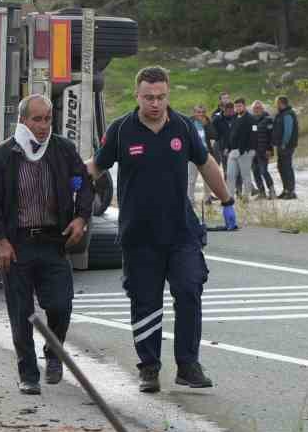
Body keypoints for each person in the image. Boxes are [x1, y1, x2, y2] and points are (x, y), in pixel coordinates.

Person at [90, 66, 236, 393]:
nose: (155, 103)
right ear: (137, 95)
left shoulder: (183, 127)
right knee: (145, 300)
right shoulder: (121, 130)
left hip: (181, 231)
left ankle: (188, 365)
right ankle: (149, 368)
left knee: (189, 289)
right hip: (139, 234)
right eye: (148, 97)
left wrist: (226, 198)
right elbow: (95, 167)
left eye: (160, 97)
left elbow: (206, 163)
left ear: (167, 94)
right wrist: (70, 184)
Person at [0, 94, 94, 395]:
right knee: (22, 313)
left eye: (48, 119)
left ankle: (53, 352)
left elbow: (84, 186)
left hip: (52, 242)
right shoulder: (2, 156)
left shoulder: (62, 150)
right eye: (37, 119)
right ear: (23, 121)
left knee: (60, 304)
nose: (43, 126)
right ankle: (28, 374)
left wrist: (81, 218)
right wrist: (0, 240)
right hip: (16, 246)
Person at [224, 98, 254, 199]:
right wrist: (227, 147)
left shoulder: (251, 119)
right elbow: (230, 134)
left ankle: (246, 197)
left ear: (244, 106)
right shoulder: (234, 118)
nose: (237, 108)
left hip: (244, 152)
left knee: (245, 175)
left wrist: (245, 150)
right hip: (233, 151)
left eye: (240, 106)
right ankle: (230, 197)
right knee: (230, 175)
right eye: (236, 106)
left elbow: (253, 135)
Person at [274, 95, 301, 199]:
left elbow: (288, 131)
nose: (275, 104)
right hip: (281, 145)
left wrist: (284, 144)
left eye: (276, 102)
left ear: (281, 103)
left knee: (286, 167)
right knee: (281, 167)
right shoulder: (281, 114)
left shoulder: (288, 114)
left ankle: (291, 191)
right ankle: (285, 190)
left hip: (286, 146)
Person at [249, 100, 276, 199]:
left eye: (258, 108)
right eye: (255, 108)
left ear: (262, 109)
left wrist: (270, 149)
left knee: (264, 171)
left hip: (264, 151)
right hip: (254, 151)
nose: (257, 110)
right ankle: (262, 192)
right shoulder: (252, 120)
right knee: (255, 172)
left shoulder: (268, 119)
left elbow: (271, 136)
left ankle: (272, 191)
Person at [187, 105, 213, 205]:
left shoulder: (208, 122)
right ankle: (190, 198)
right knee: (191, 178)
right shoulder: (189, 122)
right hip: (192, 155)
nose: (200, 114)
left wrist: (206, 125)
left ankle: (207, 198)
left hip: (206, 154)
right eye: (198, 112)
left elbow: (214, 135)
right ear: (194, 113)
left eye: (202, 112)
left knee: (207, 178)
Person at [209, 92, 234, 171]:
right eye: (224, 98)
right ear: (220, 100)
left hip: (232, 141)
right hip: (219, 141)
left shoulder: (234, 110)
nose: (226, 100)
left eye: (227, 98)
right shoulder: (216, 114)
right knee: (217, 162)